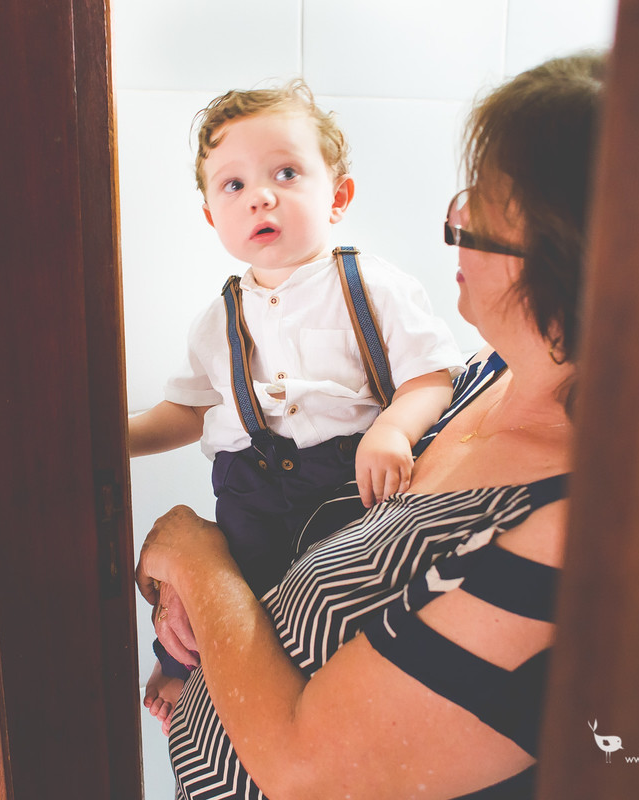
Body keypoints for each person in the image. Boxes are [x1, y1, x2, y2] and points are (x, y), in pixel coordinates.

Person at [136, 51, 605, 799]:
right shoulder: (487, 376)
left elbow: (307, 771)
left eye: (481, 210)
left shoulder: (565, 527)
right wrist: (195, 616)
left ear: (565, 255)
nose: (455, 221)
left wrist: (195, 557)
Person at [128, 80, 465, 727]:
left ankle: (333, 706)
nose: (260, 194)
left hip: (346, 486)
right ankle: (179, 670)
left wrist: (394, 429)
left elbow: (432, 376)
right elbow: (188, 411)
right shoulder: (217, 319)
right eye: (233, 185)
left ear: (337, 195)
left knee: (339, 613)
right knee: (230, 594)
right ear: (210, 216)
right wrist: (119, 437)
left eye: (286, 173)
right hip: (249, 492)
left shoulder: (372, 285)